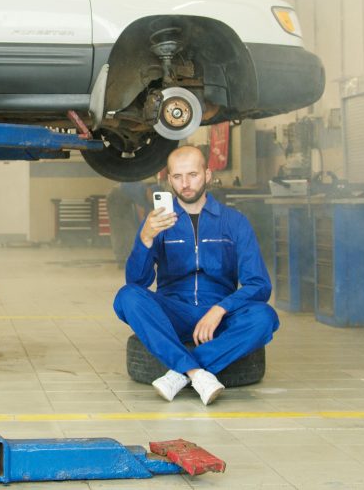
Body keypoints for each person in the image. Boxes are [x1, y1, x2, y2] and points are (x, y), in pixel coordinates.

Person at [113, 145, 277, 405]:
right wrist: (144, 239)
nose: (185, 184)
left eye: (193, 175)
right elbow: (137, 283)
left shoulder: (234, 222)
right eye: (177, 177)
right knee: (126, 298)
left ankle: (178, 373)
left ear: (208, 175)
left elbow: (259, 284)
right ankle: (195, 373)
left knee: (264, 317)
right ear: (169, 181)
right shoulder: (158, 223)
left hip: (219, 316)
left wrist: (220, 309)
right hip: (174, 312)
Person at [106, 180, 156, 260]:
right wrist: (144, 231)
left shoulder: (146, 196)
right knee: (119, 229)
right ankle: (121, 258)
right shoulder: (140, 190)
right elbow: (141, 215)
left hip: (125, 201)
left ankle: (127, 256)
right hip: (116, 196)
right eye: (153, 199)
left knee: (129, 228)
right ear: (150, 192)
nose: (152, 201)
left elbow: (147, 214)